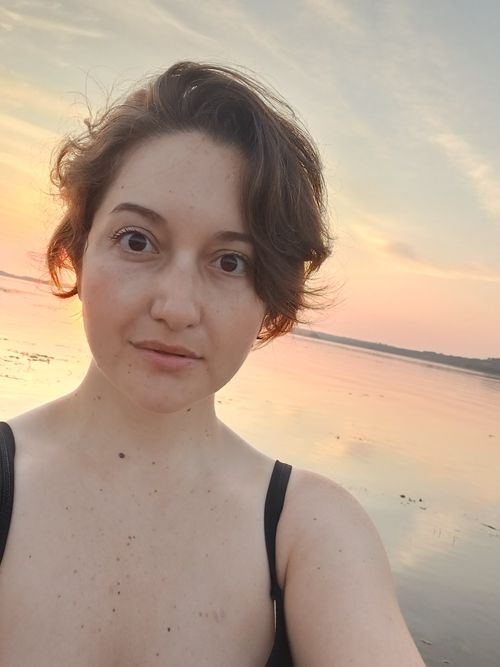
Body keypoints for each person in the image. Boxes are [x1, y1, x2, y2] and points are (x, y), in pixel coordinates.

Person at [0, 62, 425, 666]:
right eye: (137, 240)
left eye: (230, 262)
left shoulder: (308, 532)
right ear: (79, 248)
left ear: (269, 300)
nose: (176, 308)